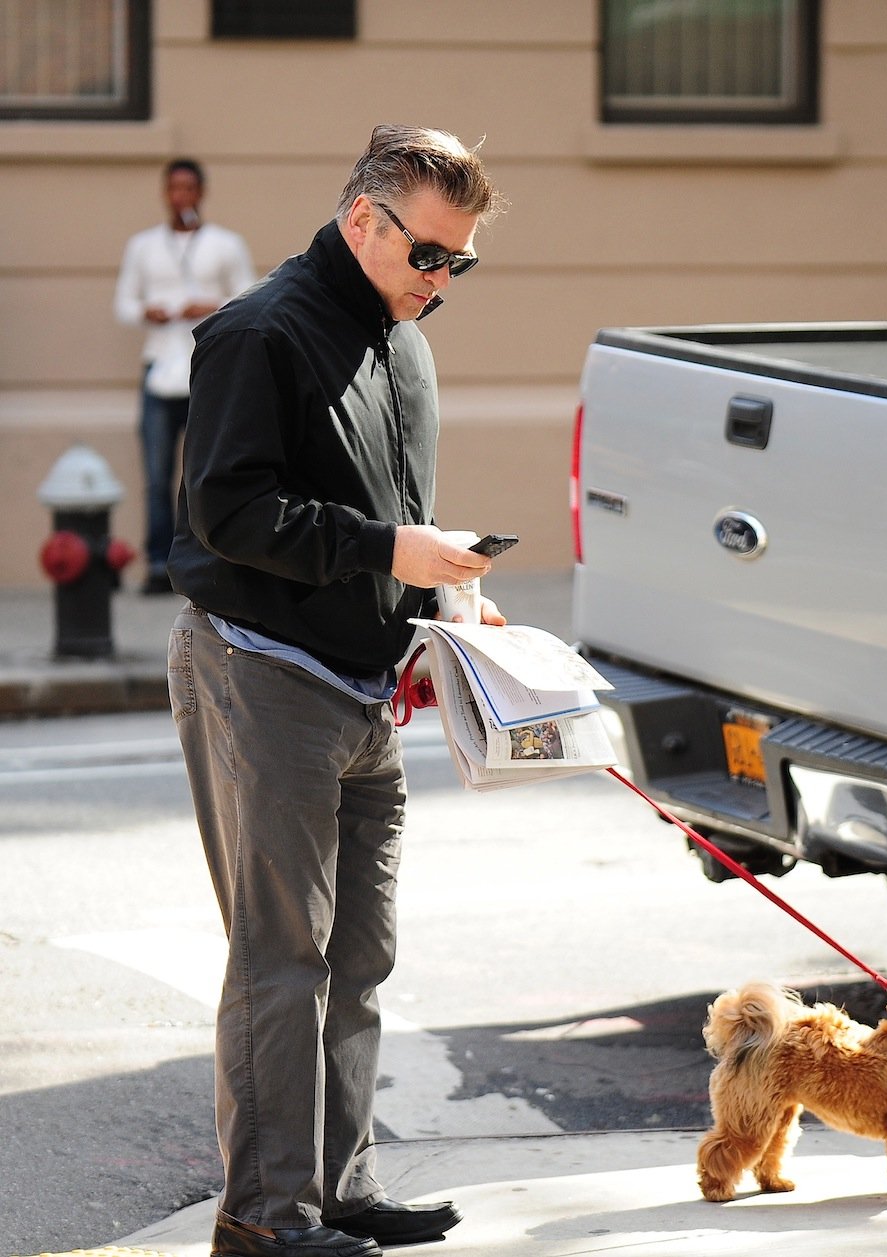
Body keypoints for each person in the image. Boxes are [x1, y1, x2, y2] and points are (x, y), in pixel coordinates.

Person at [165, 125, 506, 1255]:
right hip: (260, 673)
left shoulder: (405, 340)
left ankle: (338, 1192)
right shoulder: (255, 334)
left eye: (458, 263)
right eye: (428, 257)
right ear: (363, 220)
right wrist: (385, 553)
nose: (440, 282)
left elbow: (391, 514)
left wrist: (443, 598)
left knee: (360, 957)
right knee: (282, 957)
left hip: (364, 687)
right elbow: (227, 512)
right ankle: (266, 1220)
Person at [114, 158, 255, 594]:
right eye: (173, 189)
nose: (181, 197)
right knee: (157, 475)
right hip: (159, 367)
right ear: (165, 193)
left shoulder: (225, 244)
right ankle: (157, 564)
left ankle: (201, 562)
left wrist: (210, 305)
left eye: (188, 189)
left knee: (202, 471)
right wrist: (146, 312)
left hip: (204, 369)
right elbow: (123, 304)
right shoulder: (143, 246)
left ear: (200, 193)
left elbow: (250, 293)